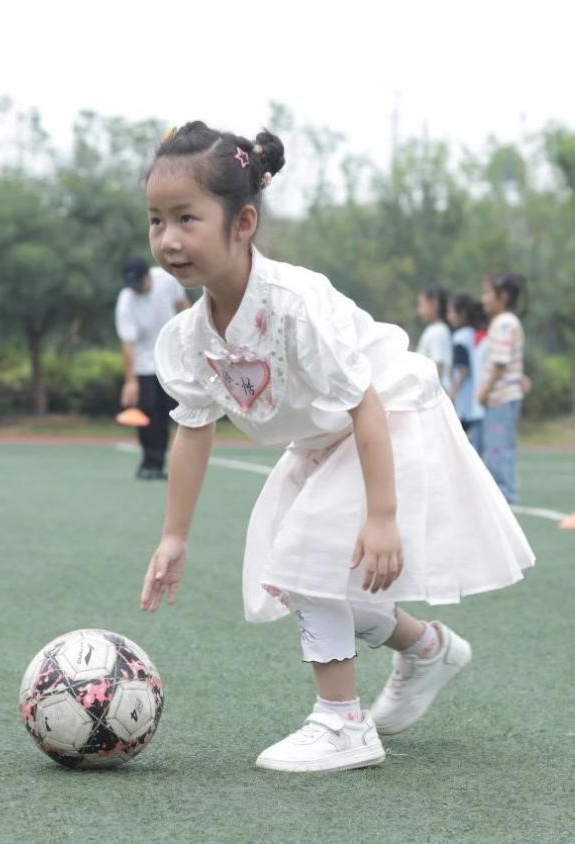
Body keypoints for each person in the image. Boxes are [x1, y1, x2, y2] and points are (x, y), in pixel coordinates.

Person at [138, 121, 534, 773]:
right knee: (299, 572)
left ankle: (342, 724)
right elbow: (194, 429)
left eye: (187, 218)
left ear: (243, 223)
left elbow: (366, 404)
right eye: (156, 221)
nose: (169, 239)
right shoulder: (187, 338)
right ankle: (427, 649)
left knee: (308, 553)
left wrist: (382, 517)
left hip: (394, 418)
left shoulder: (295, 304)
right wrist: (174, 537)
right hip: (325, 442)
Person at [116, 256, 189, 479]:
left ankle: (157, 464)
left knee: (164, 412)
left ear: (148, 275)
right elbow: (128, 344)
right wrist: (130, 381)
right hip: (144, 364)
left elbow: (183, 307)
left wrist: (191, 338)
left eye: (139, 282)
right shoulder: (126, 300)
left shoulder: (168, 280)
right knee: (146, 412)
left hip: (169, 358)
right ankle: (148, 461)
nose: (136, 288)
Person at [478, 273, 527, 503]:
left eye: (488, 293)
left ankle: (505, 492)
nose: (484, 298)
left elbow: (500, 362)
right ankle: (503, 490)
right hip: (501, 397)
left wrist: (484, 391)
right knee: (497, 446)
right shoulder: (504, 322)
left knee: (499, 448)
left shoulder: (504, 323)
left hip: (502, 397)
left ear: (503, 296)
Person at [447, 294, 486, 450]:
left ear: (462, 314)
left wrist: (452, 392)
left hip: (464, 399)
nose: (449, 315)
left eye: (451, 311)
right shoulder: (474, 334)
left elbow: (463, 369)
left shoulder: (460, 337)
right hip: (475, 397)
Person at [416, 286, 452, 390]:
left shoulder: (437, 331)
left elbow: (437, 365)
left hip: (432, 390)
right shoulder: (435, 329)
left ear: (433, 304)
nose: (419, 310)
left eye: (421, 304)